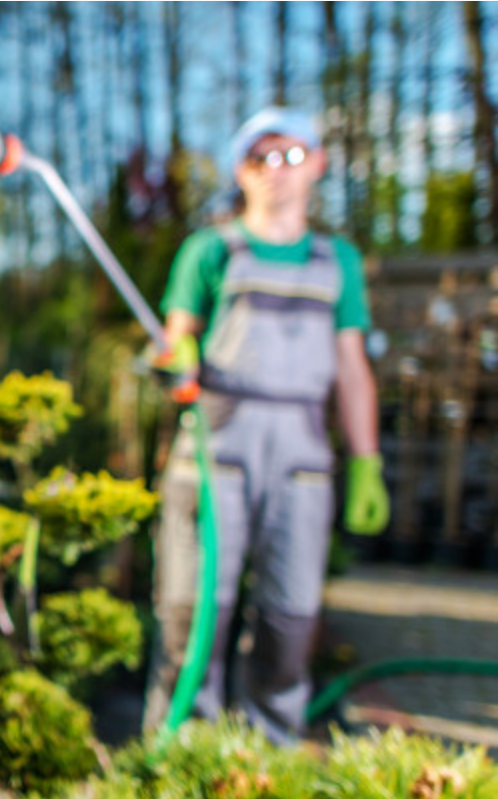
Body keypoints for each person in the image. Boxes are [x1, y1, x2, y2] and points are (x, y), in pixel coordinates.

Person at [142, 107, 390, 745]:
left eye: (290, 155)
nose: (276, 171)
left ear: (317, 164)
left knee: (291, 620)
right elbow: (178, 340)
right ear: (240, 171)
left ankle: (268, 756)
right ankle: (180, 757)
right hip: (215, 452)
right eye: (260, 158)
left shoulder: (338, 262)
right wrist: (177, 363)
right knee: (192, 618)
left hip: (303, 461)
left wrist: (366, 462)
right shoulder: (212, 249)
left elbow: (353, 367)